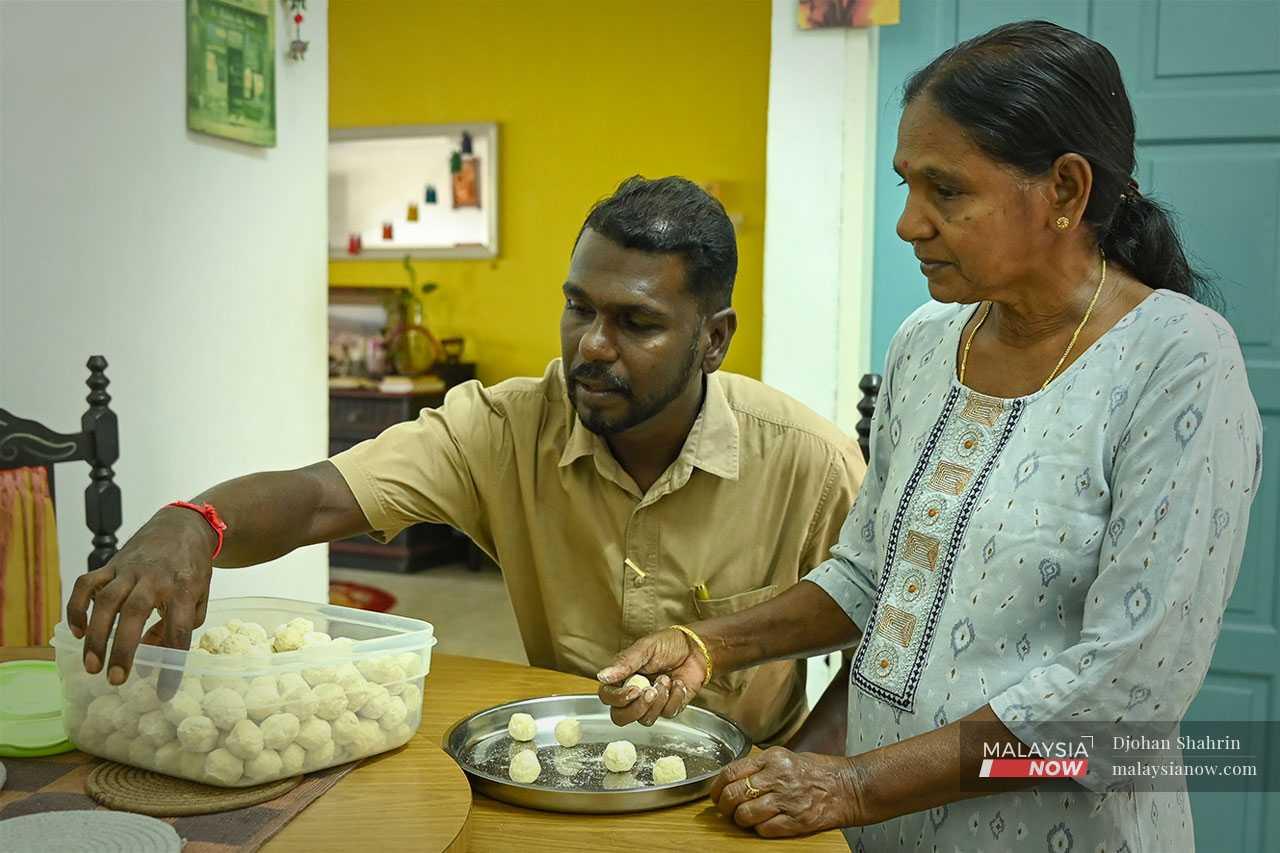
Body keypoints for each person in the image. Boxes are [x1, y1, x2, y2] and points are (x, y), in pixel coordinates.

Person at [597, 22, 1262, 850]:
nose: (910, 223)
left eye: (946, 192)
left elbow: (1121, 697)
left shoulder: (1178, 361)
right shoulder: (925, 341)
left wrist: (857, 784)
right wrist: (708, 645)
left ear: (1064, 189)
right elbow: (872, 576)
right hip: (885, 834)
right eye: (907, 184)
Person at [67, 176, 866, 748]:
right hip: (554, 765)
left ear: (714, 338)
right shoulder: (502, 426)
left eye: (635, 322)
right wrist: (196, 523)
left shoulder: (809, 462)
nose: (592, 344)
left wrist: (802, 772)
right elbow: (318, 497)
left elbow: (890, 639)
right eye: (579, 307)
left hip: (739, 786)